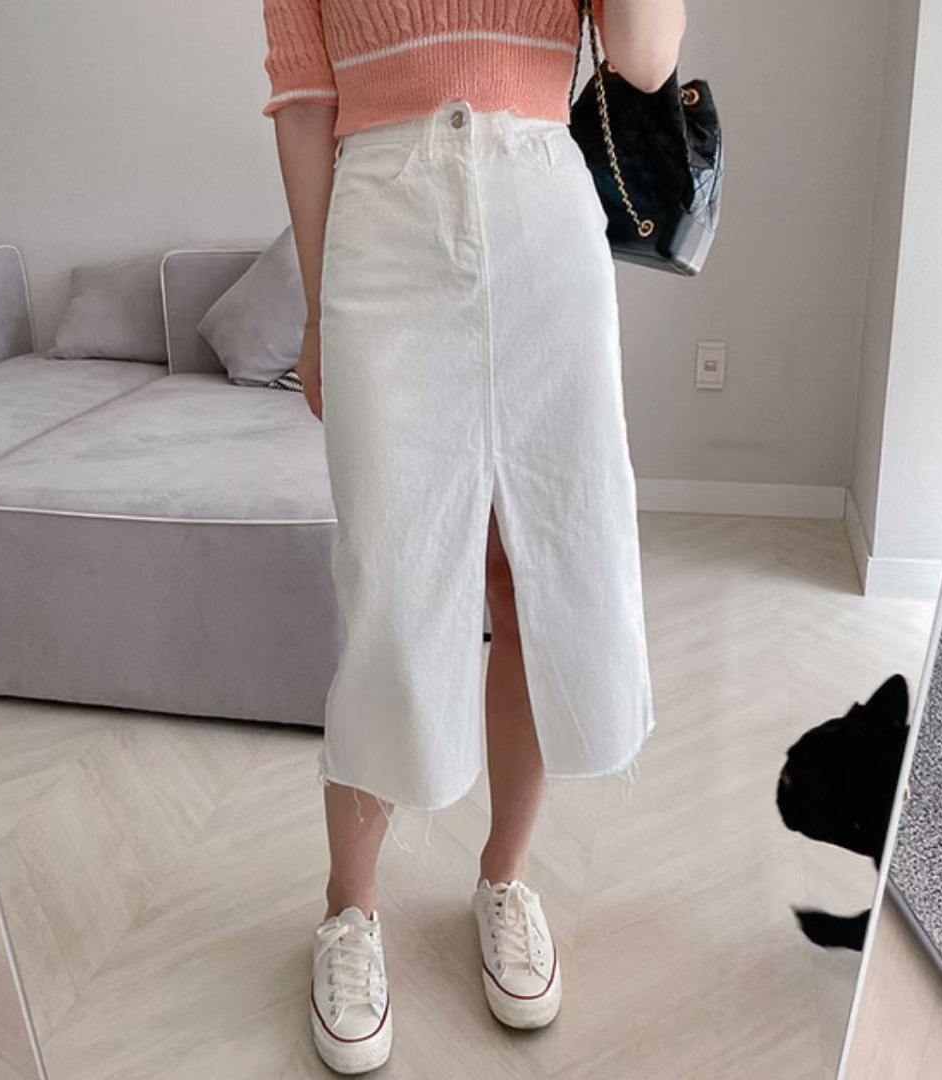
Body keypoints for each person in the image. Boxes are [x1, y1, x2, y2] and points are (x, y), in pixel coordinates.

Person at [261, 0, 685, 1072]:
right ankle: (348, 911)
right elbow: (304, 104)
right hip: (382, 224)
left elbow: (645, 60)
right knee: (389, 585)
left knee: (539, 572)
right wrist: (312, 310)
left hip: (544, 213)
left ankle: (504, 878)